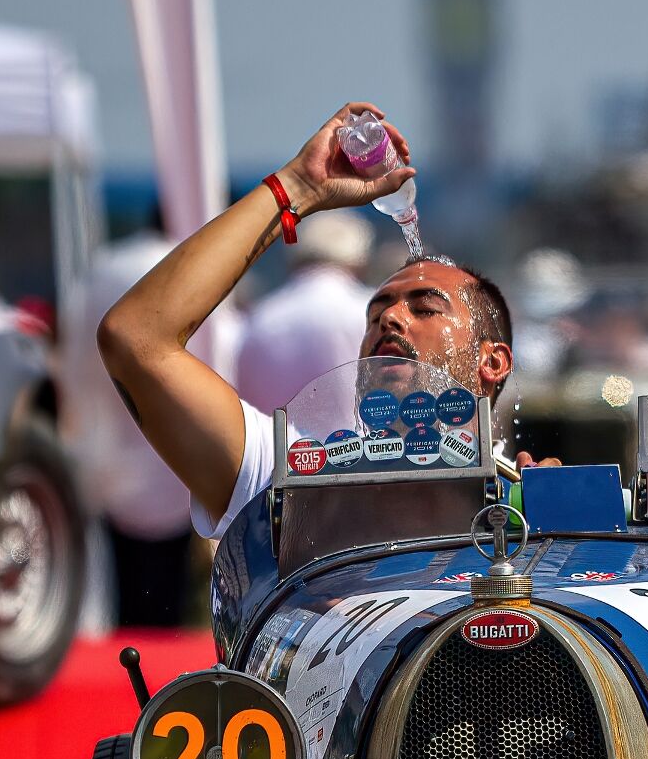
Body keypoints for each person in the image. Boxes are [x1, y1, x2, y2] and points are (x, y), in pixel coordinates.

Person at [99, 103, 518, 545]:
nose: (390, 319)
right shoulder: (298, 477)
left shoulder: (528, 501)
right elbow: (134, 338)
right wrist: (297, 187)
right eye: (374, 315)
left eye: (426, 309)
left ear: (492, 361)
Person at [64, 228, 242, 624]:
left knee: (127, 584)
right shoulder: (191, 268)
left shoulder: (102, 270)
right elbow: (222, 353)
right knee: (173, 593)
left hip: (110, 449)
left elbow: (75, 361)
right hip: (178, 454)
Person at [235, 208, 372, 428]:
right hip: (355, 454)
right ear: (359, 261)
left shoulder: (259, 320)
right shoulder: (370, 311)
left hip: (276, 457)